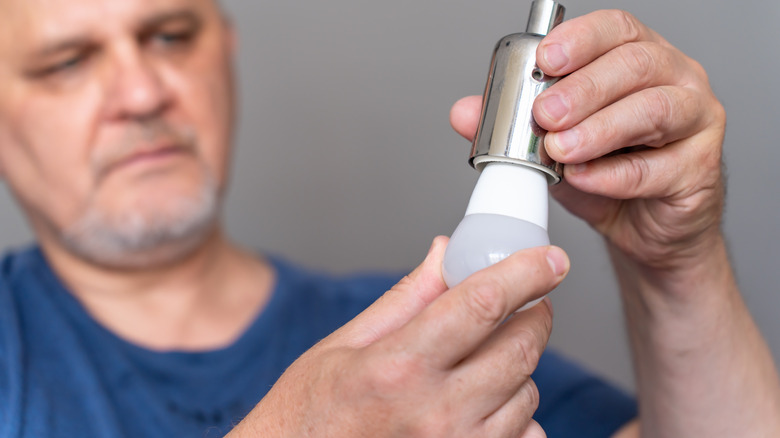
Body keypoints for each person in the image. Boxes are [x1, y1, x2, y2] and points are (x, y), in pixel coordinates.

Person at [0, 0, 777, 437]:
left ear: (225, 48)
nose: (142, 93)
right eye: (67, 62)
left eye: (169, 35)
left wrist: (679, 269)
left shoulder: (424, 347)